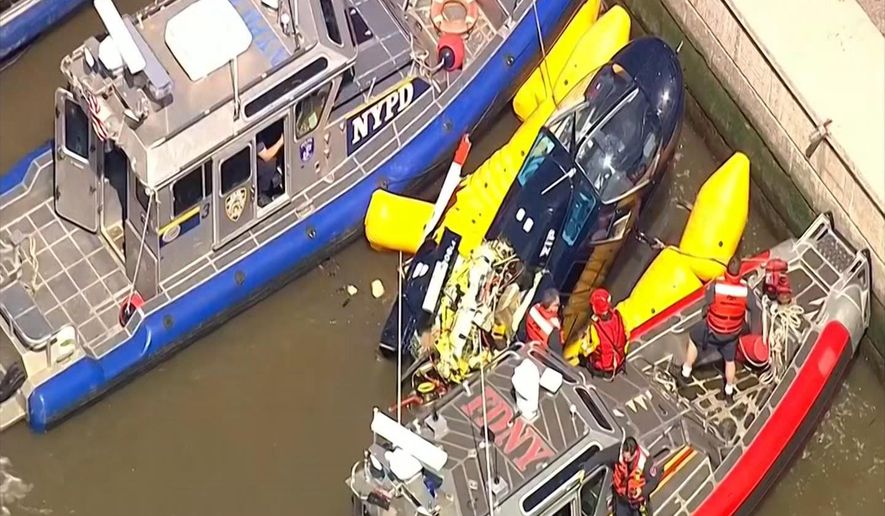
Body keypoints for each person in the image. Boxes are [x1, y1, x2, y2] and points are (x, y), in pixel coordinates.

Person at [673, 256, 758, 403]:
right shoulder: (746, 291)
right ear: (739, 273)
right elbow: (754, 308)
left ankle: (685, 372)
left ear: (727, 271)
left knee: (693, 338)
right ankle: (729, 391)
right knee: (729, 361)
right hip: (731, 334)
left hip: (712, 329)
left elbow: (708, 301)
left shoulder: (717, 285)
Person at [581, 436, 660, 515]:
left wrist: (642, 491)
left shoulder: (646, 462)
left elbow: (654, 481)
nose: (625, 460)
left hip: (638, 503)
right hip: (622, 501)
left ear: (635, 453)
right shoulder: (617, 452)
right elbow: (599, 457)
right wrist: (584, 469)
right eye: (624, 457)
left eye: (628, 459)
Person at [582, 288, 629, 377]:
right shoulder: (619, 316)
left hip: (604, 366)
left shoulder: (594, 328)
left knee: (582, 356)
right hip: (620, 360)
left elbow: (587, 350)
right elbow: (627, 334)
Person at [521, 288, 564, 354]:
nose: (558, 307)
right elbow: (557, 355)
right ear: (552, 307)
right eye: (557, 305)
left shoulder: (533, 309)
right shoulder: (553, 328)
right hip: (540, 359)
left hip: (527, 349)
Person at [256, 130, 284, 207]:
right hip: (262, 183)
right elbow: (266, 156)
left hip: (274, 175)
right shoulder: (257, 138)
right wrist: (281, 141)